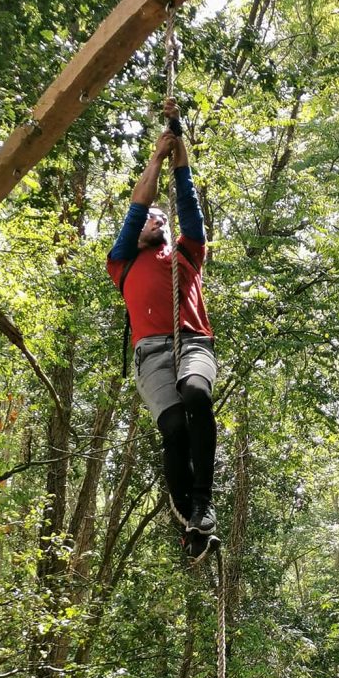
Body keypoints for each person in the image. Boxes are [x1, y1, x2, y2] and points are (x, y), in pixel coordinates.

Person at [107, 99, 218, 559]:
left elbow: (187, 204)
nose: (159, 220)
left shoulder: (187, 255)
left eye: (163, 220)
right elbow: (139, 206)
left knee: (195, 394)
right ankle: (189, 519)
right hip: (150, 352)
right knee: (173, 427)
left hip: (192, 339)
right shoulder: (122, 262)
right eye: (154, 218)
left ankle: (203, 503)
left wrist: (179, 143)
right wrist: (156, 156)